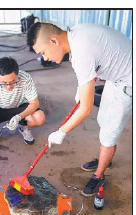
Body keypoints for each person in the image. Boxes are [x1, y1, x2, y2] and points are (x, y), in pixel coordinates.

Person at [27, 22, 132, 196]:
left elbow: (86, 109)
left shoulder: (82, 50)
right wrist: (82, 87)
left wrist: (61, 131)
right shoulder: (77, 34)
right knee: (104, 120)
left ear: (53, 40)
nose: (44, 58)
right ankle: (106, 159)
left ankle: (99, 175)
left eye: (43, 52)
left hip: (128, 80)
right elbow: (101, 55)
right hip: (119, 75)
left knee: (109, 132)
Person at [0, 56, 45, 148]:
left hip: (19, 107)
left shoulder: (25, 78)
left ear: (17, 74)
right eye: (4, 83)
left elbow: (34, 103)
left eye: (13, 81)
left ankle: (25, 128)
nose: (9, 86)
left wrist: (19, 117)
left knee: (39, 117)